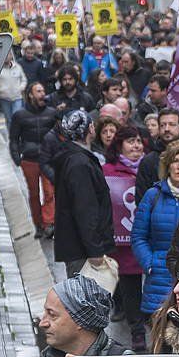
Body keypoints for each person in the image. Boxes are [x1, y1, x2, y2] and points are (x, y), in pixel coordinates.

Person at [132, 140, 179, 318]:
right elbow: (139, 236)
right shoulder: (152, 195)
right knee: (159, 338)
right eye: (175, 161)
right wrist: (150, 263)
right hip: (158, 277)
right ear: (167, 165)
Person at [52, 109, 115, 278]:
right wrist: (95, 251)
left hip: (82, 248)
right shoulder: (79, 164)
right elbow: (85, 210)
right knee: (86, 301)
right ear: (91, 129)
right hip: (83, 252)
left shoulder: (75, 158)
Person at [102, 126, 149, 350]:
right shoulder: (107, 170)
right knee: (130, 288)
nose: (136, 146)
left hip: (149, 237)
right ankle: (137, 331)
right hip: (122, 242)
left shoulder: (149, 167)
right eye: (131, 141)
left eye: (139, 141)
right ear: (119, 145)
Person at [10, 81, 58, 238]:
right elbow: (14, 138)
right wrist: (17, 157)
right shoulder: (19, 115)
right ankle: (38, 224)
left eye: (43, 90)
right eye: (38, 91)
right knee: (34, 193)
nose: (42, 94)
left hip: (48, 158)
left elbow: (58, 135)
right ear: (31, 94)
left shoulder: (52, 112)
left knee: (49, 192)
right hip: (29, 159)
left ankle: (48, 223)